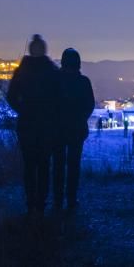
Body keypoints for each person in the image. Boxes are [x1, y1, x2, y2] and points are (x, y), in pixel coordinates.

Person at [7, 34, 60, 215]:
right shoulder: (53, 72)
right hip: (47, 125)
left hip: (27, 124)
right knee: (44, 164)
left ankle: (30, 203)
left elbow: (11, 97)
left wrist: (22, 109)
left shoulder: (21, 72)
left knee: (29, 165)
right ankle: (41, 202)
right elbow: (59, 99)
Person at [53, 48, 95, 211]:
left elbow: (50, 104)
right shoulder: (83, 81)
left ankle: (57, 200)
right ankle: (71, 199)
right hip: (77, 130)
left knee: (57, 166)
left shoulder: (55, 81)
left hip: (57, 130)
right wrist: (80, 118)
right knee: (73, 166)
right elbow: (89, 105)